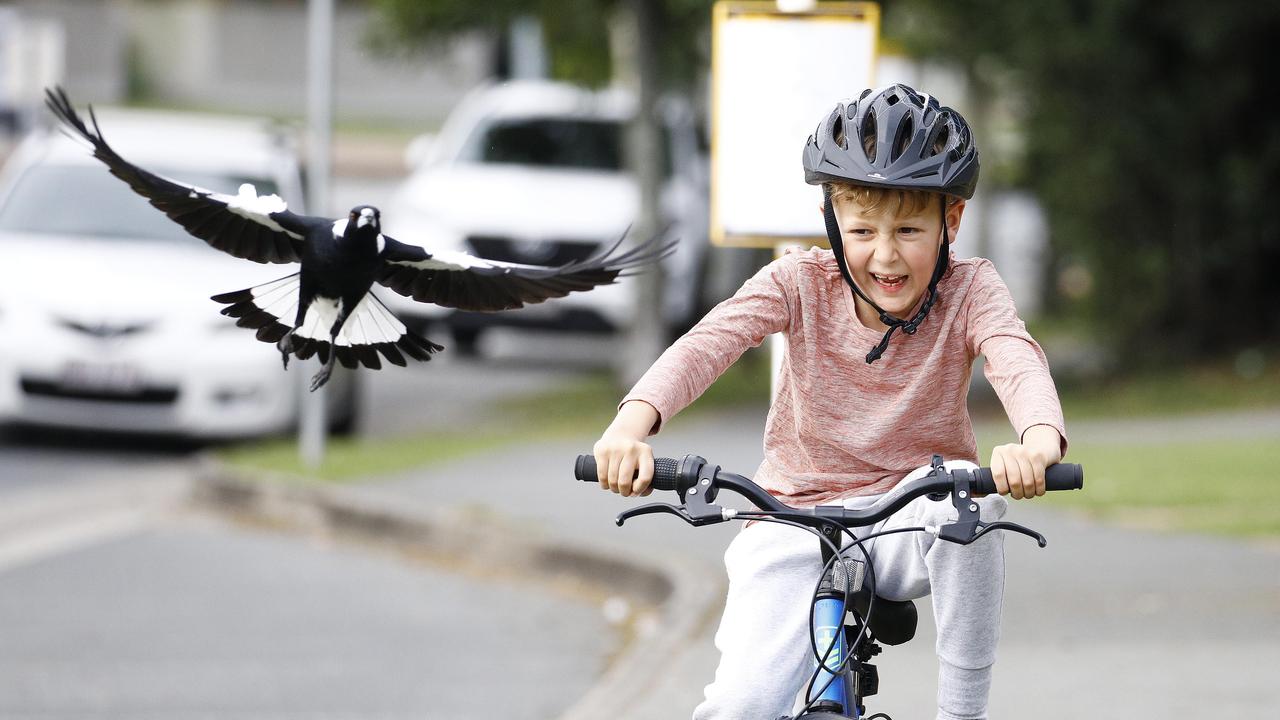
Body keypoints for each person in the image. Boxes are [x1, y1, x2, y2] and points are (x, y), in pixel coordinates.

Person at [591, 83, 1068, 720]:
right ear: (832, 223)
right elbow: (709, 344)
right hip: (790, 516)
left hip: (908, 518)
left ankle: (962, 713)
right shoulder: (798, 281)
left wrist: (1037, 442)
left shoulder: (971, 287)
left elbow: (1015, 357)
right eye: (862, 230)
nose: (886, 253)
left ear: (950, 223)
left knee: (972, 505)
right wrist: (630, 428)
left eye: (909, 229)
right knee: (742, 705)